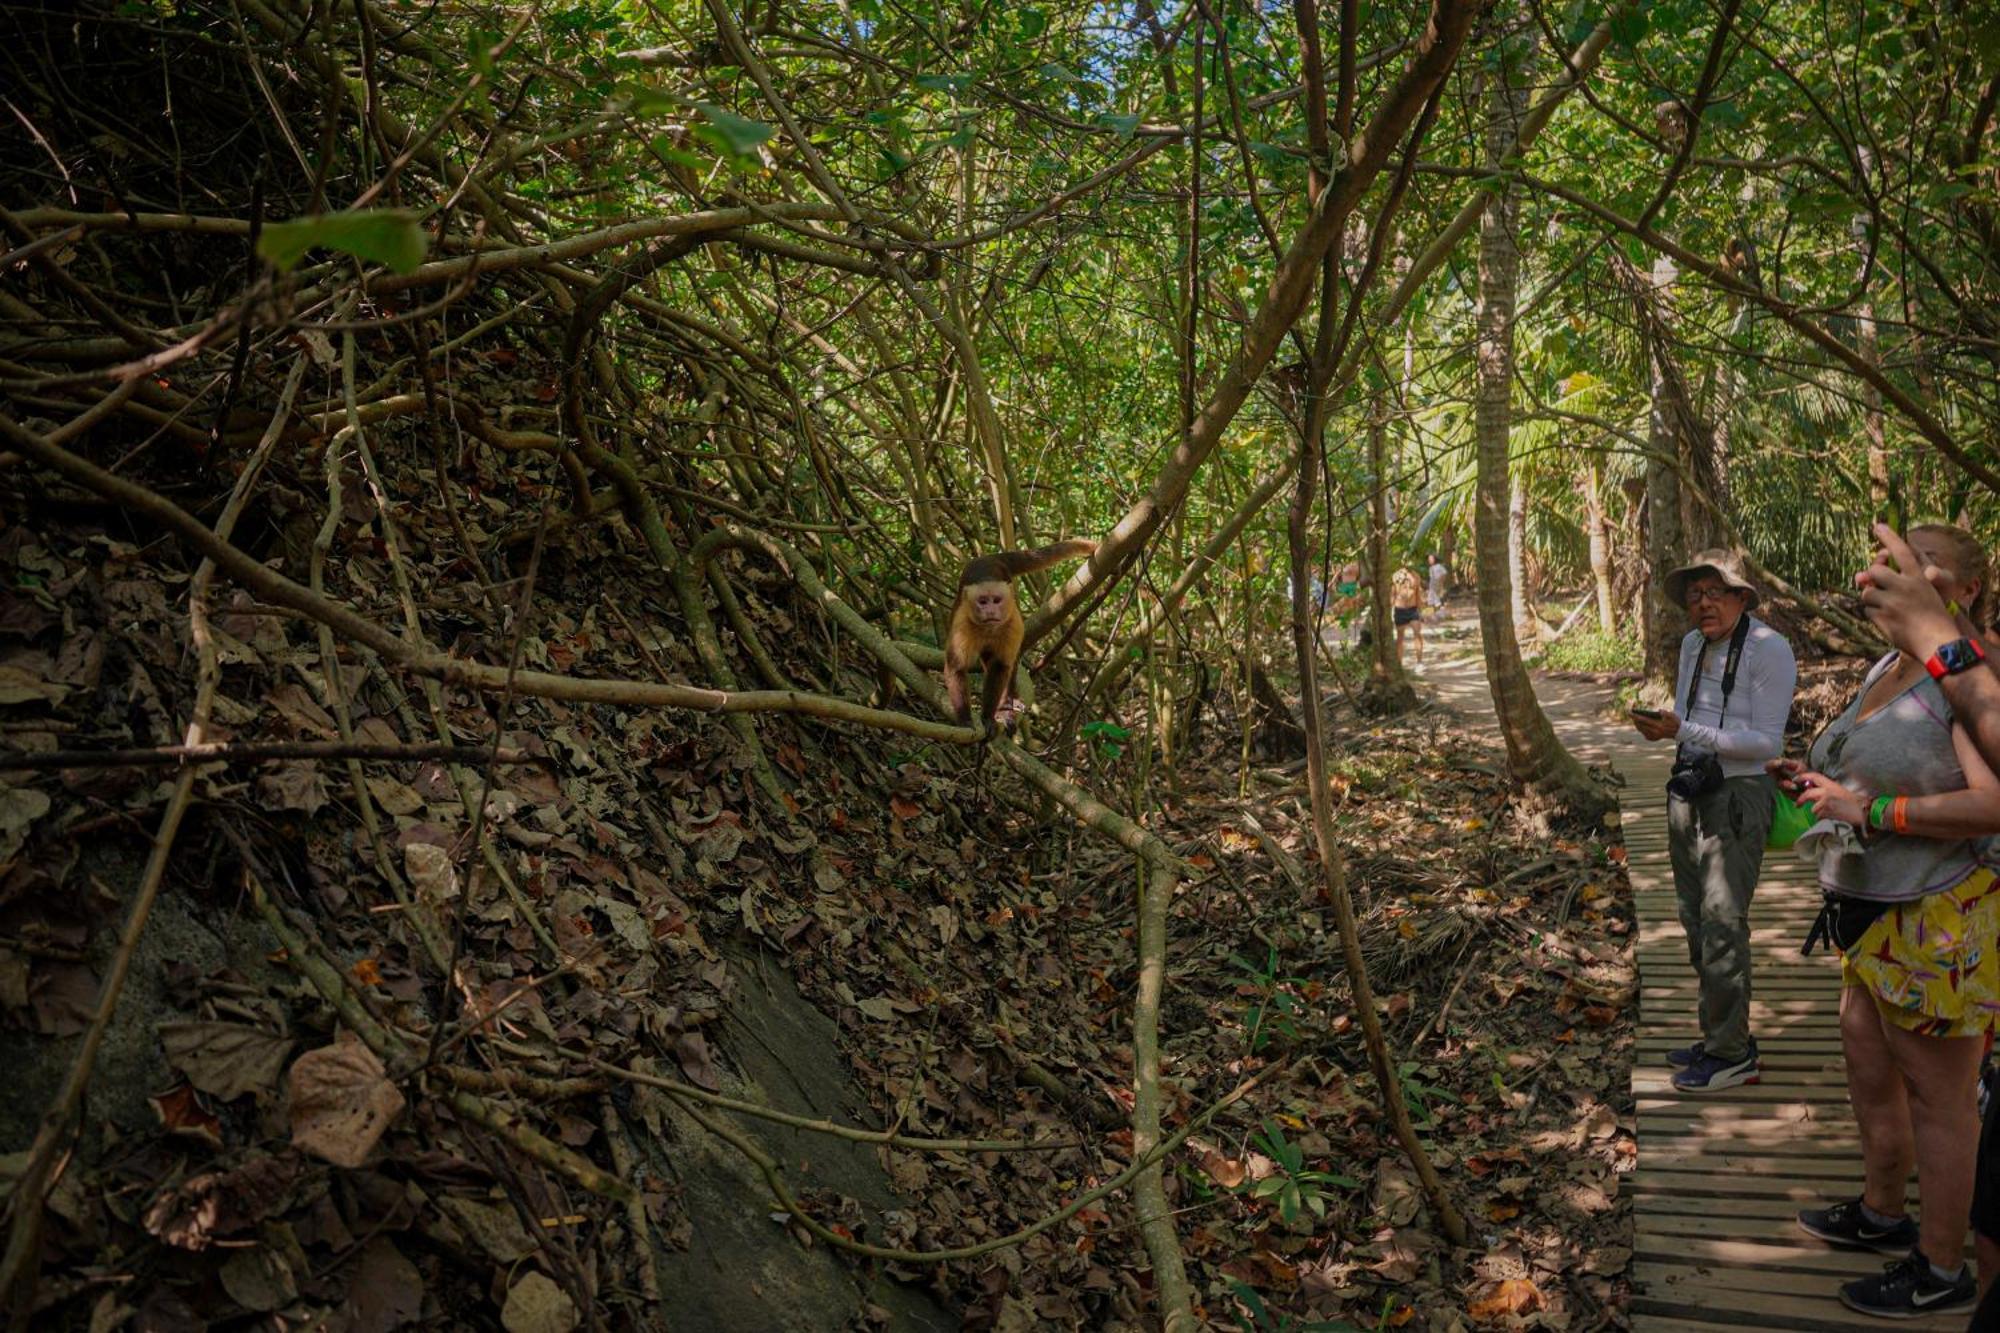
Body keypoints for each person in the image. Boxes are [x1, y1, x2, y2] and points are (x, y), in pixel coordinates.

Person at [1778, 524, 2000, 1320]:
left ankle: (1943, 1266)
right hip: (1866, 912)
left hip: (1936, 913)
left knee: (1940, 1099)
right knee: (1872, 1072)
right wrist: (1816, 778)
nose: (1896, 572)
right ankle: (1881, 1211)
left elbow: (1994, 802)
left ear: (1965, 591)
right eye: (1891, 559)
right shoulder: (1889, 660)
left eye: (1921, 563)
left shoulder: (1968, 671)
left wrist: (1870, 807)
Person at [1629, 548, 1798, 1092]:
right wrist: (1664, 729)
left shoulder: (1769, 649)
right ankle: (1723, 1035)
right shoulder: (1692, 645)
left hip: (1741, 792)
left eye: (1714, 592)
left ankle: (1730, 1054)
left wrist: (1685, 732)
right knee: (1695, 920)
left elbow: (1766, 743)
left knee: (1724, 921)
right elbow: (1688, 716)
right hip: (1690, 785)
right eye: (1694, 594)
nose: (1703, 603)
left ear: (1741, 597)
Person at [1391, 565, 1425, 669]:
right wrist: (1390, 611)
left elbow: (1418, 593)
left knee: (1417, 633)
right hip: (1399, 610)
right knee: (1400, 638)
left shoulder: (1415, 576)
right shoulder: (1396, 576)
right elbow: (1393, 594)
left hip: (1412, 609)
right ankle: (1399, 665)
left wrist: (1421, 611)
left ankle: (1419, 663)